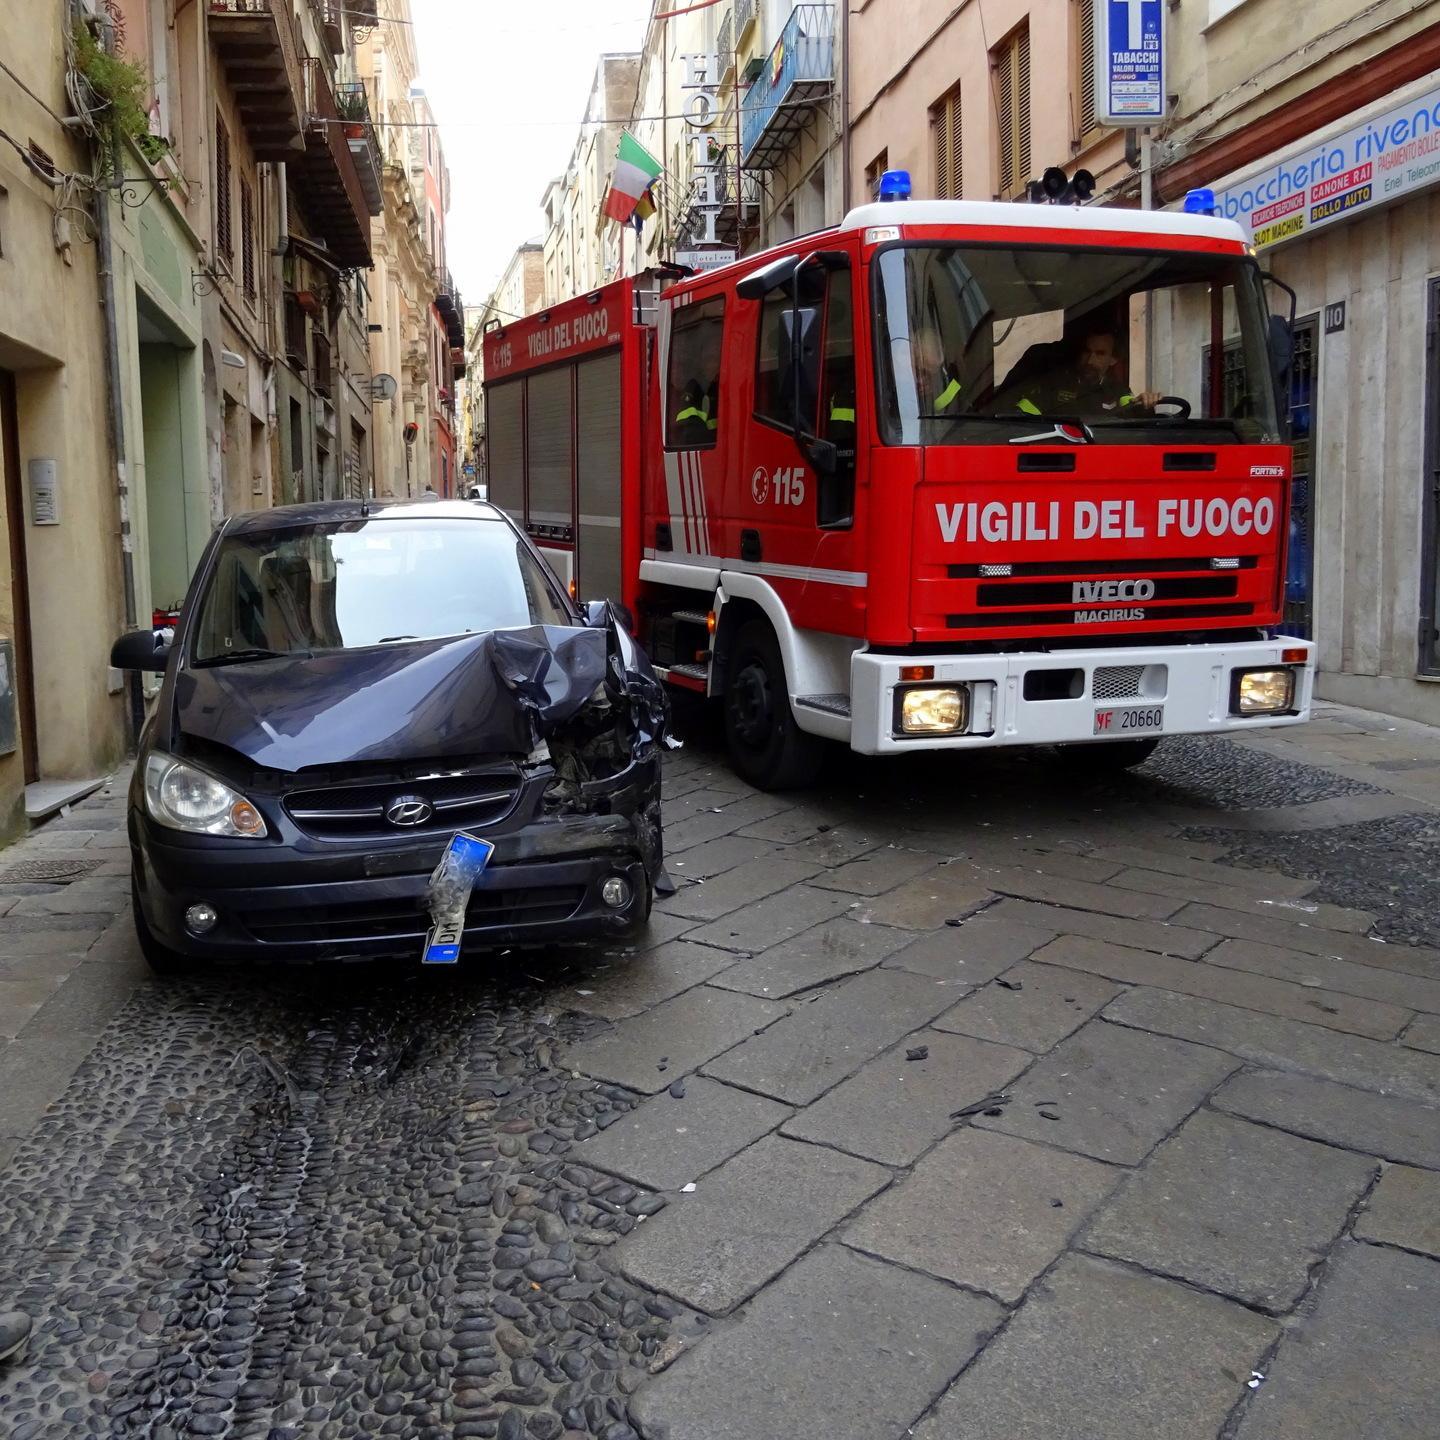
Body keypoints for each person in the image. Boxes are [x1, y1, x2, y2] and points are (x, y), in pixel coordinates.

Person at [1007, 327, 1162, 419]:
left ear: (1113, 359)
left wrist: (1145, 405)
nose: (1090, 360)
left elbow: (1132, 409)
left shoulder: (1118, 390)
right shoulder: (1054, 383)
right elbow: (1019, 416)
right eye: (1087, 351)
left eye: (1100, 353)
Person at [912, 325, 966, 416]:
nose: (921, 380)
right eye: (920, 371)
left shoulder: (950, 383)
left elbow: (938, 406)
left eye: (930, 374)